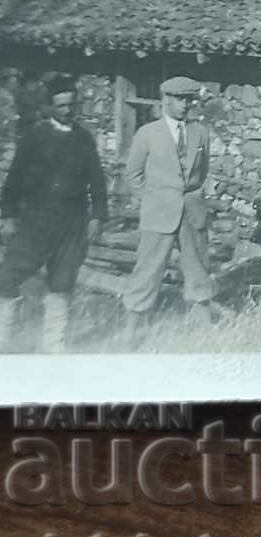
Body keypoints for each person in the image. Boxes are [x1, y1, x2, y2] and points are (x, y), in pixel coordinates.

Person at [0, 74, 107, 352]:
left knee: (62, 282)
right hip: (35, 221)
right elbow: (14, 179)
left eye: (71, 105)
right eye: (61, 106)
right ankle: (3, 343)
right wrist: (8, 216)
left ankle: (54, 348)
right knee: (7, 277)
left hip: (72, 223)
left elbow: (97, 181)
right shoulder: (34, 137)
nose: (67, 111)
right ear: (50, 107)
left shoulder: (83, 139)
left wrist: (97, 216)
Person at [121, 76, 211, 342]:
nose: (185, 105)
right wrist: (151, 200)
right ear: (166, 100)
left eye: (189, 100)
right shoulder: (148, 133)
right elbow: (133, 175)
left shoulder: (200, 132)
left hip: (192, 213)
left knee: (198, 268)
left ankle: (205, 329)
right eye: (180, 99)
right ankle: (131, 330)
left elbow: (202, 171)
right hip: (159, 213)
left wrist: (194, 196)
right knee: (148, 268)